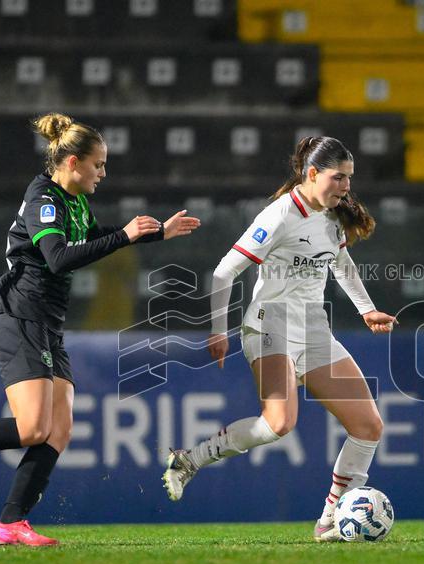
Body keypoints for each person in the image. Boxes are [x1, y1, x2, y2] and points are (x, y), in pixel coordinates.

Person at [0, 113, 199, 546]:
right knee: (34, 427)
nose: (103, 174)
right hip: (21, 318)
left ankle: (10, 523)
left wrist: (154, 234)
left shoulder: (74, 202)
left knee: (60, 428)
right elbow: (57, 257)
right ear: (72, 162)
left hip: (47, 324)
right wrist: (126, 237)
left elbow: (95, 238)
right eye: (98, 165)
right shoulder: (44, 199)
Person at [162, 136, 396, 542]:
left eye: (349, 179)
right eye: (338, 177)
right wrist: (218, 329)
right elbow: (223, 272)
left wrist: (366, 309)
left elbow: (341, 263)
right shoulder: (280, 215)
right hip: (271, 325)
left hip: (313, 329)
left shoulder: (330, 217)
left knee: (368, 425)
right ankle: (190, 460)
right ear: (311, 174)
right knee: (280, 423)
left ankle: (329, 521)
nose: (345, 187)